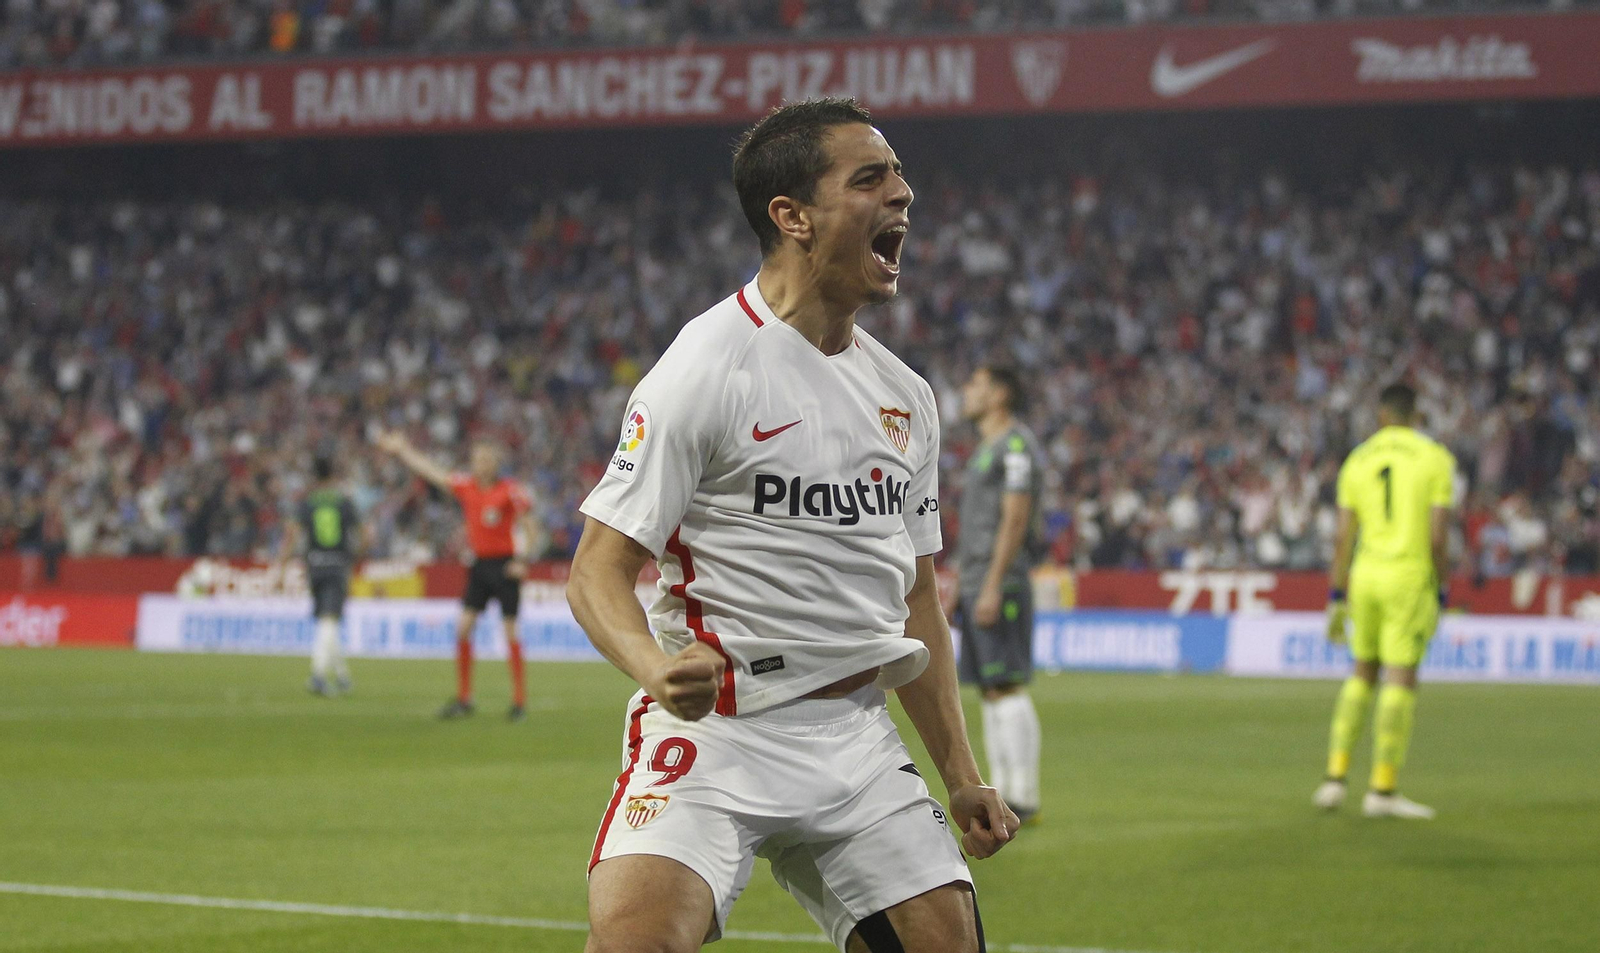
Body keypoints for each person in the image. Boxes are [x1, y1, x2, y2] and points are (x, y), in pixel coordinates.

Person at [567, 98, 1017, 953]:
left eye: (900, 175)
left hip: (855, 737)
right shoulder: (705, 368)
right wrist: (657, 668)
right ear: (792, 216)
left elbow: (918, 598)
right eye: (870, 179)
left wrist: (961, 773)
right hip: (719, 730)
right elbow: (596, 570)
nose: (903, 193)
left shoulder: (906, 397)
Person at [1314, 383, 1457, 819]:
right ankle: (1382, 788)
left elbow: (1343, 536)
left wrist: (1336, 594)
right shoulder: (1434, 458)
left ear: (1381, 415)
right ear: (1416, 414)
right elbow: (1437, 537)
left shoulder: (1358, 460)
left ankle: (1334, 778)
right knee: (1400, 676)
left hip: (1365, 576)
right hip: (1407, 576)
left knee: (1362, 671)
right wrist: (1442, 587)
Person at [375, 430, 535, 720]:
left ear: (496, 463)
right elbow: (432, 472)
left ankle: (519, 702)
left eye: (486, 459)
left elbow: (530, 524)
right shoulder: (467, 486)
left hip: (505, 566)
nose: (481, 464)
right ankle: (464, 698)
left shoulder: (510, 490)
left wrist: (523, 560)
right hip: (480, 566)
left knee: (510, 631)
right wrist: (403, 450)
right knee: (463, 627)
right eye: (477, 459)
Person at [955, 365, 1045, 824]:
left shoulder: (1015, 447)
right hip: (976, 580)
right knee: (991, 689)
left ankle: (1023, 794)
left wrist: (992, 583)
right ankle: (1003, 790)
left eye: (976, 384)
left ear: (1000, 394)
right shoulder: (986, 450)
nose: (966, 391)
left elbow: (1015, 518)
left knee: (1006, 682)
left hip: (999, 582)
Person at [281, 456, 366, 696]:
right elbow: (365, 534)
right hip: (337, 565)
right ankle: (318, 675)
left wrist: (283, 562)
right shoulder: (344, 501)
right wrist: (356, 555)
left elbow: (292, 533)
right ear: (333, 474)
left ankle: (342, 676)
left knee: (326, 621)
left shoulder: (307, 502)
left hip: (314, 566)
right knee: (329, 620)